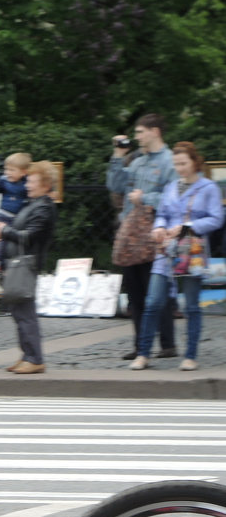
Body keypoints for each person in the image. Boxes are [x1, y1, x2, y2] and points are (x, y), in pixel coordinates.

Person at [130, 142, 224, 372]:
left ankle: (190, 355)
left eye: (183, 163)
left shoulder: (208, 187)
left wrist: (186, 226)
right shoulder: (172, 187)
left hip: (192, 252)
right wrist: (159, 228)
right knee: (152, 302)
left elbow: (217, 219)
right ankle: (143, 354)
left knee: (191, 305)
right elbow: (162, 214)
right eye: (176, 164)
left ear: (195, 162)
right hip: (167, 250)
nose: (180, 168)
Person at [107, 113, 177, 359]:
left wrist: (145, 198)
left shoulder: (170, 161)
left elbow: (174, 199)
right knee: (135, 292)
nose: (136, 137)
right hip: (132, 235)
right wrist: (117, 156)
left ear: (154, 131)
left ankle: (168, 344)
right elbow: (115, 186)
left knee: (156, 292)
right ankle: (140, 347)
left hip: (156, 234)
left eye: (140, 132)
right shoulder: (137, 161)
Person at [0, 161, 57, 374]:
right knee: (18, 311)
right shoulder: (33, 204)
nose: (27, 184)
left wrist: (5, 231)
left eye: (32, 181)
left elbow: (29, 236)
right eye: (28, 180)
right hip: (19, 263)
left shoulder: (44, 207)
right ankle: (27, 354)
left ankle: (35, 358)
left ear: (45, 185)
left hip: (27, 264)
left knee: (25, 313)